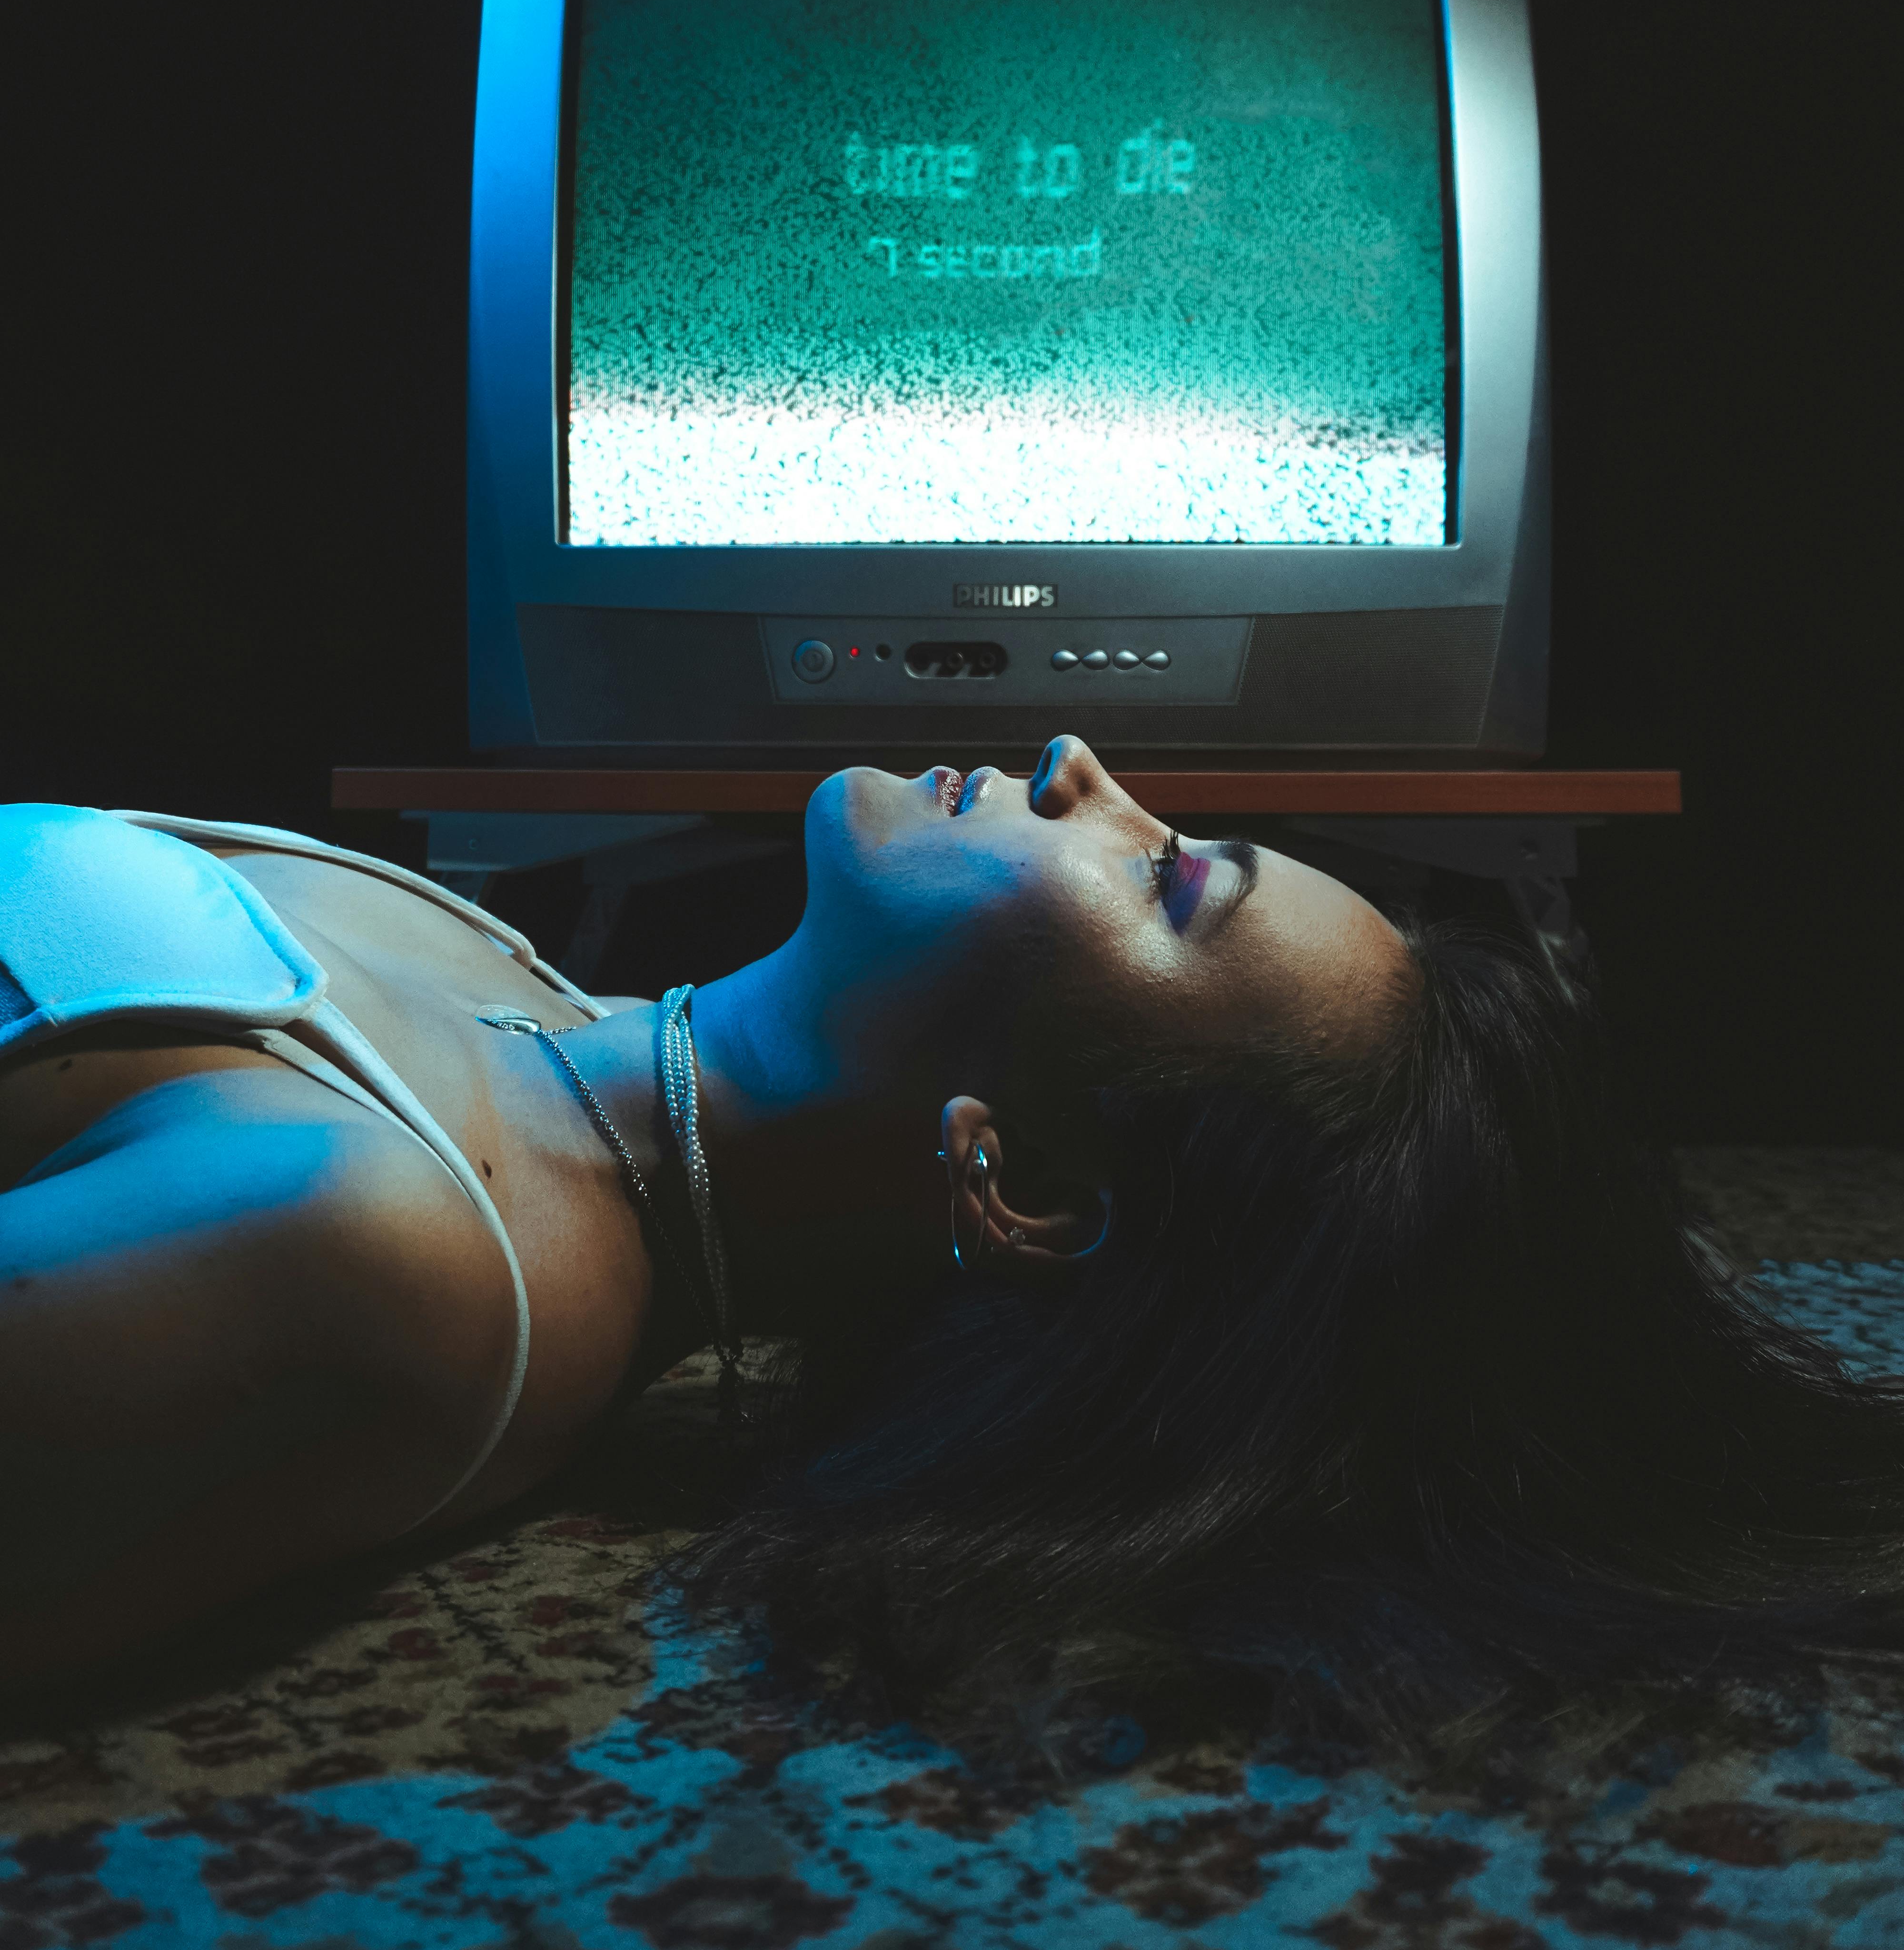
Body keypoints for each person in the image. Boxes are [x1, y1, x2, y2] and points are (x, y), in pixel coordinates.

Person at [2, 739, 1900, 1731]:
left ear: (1026, 1188)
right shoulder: (518, 981)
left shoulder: (389, 1264)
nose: (1086, 763)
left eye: (1168, 878)